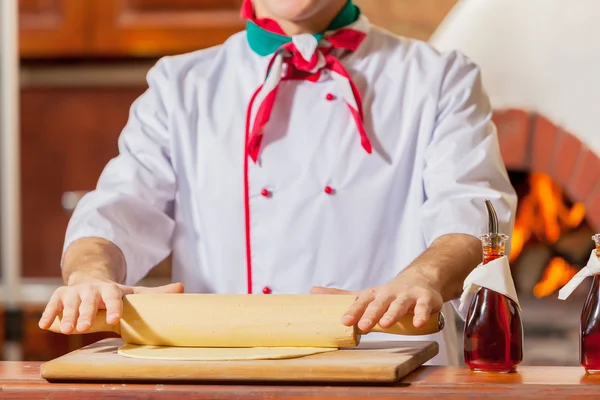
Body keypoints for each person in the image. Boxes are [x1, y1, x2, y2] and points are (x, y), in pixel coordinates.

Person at [38, 0, 517, 365]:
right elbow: (119, 210)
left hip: (390, 368)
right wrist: (90, 277)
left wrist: (423, 277)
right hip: (222, 374)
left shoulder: (439, 78)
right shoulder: (180, 85)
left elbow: (473, 209)